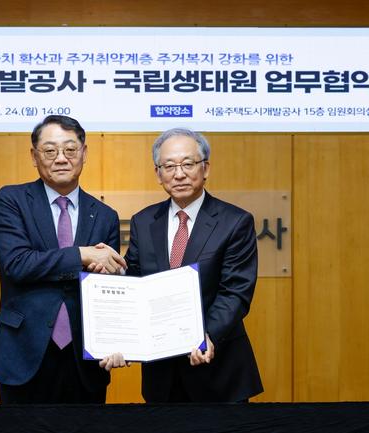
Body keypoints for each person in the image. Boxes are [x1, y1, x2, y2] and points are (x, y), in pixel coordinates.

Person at [105, 127, 263, 402]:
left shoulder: (235, 222)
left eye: (188, 164)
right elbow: (135, 283)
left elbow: (235, 292)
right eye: (169, 166)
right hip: (161, 375)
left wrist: (207, 335)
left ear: (205, 168)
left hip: (218, 371)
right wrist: (121, 337)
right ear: (158, 174)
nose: (179, 174)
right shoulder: (143, 221)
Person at [0, 115, 126, 404]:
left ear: (84, 153)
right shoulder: (11, 201)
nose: (61, 158)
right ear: (34, 156)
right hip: (24, 351)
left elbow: (106, 290)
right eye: (50, 150)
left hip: (86, 356)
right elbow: (17, 264)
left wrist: (107, 273)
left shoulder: (105, 215)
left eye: (70, 149)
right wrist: (82, 255)